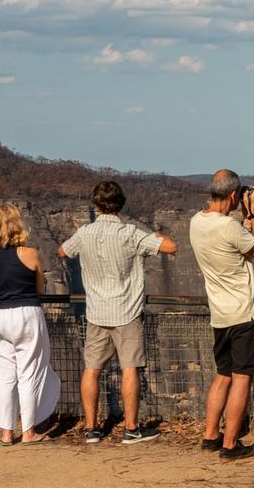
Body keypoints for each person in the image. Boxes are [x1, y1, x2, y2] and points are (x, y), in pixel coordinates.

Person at [58, 180, 177, 444]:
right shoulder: (130, 234)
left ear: (95, 203)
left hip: (96, 312)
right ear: (120, 203)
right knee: (129, 368)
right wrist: (154, 235)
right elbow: (171, 247)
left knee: (92, 369)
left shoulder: (85, 233)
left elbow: (62, 251)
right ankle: (131, 429)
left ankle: (91, 429)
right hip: (127, 311)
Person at [189, 169, 254, 461]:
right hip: (244, 314)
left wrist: (243, 217)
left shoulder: (196, 222)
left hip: (219, 314)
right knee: (242, 378)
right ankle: (231, 445)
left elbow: (233, 239)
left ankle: (211, 436)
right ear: (234, 195)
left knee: (222, 376)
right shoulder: (229, 228)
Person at [0, 203, 61, 445]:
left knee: (2, 375)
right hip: (26, 314)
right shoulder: (31, 253)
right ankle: (28, 431)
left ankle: (6, 432)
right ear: (18, 226)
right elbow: (38, 288)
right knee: (30, 372)